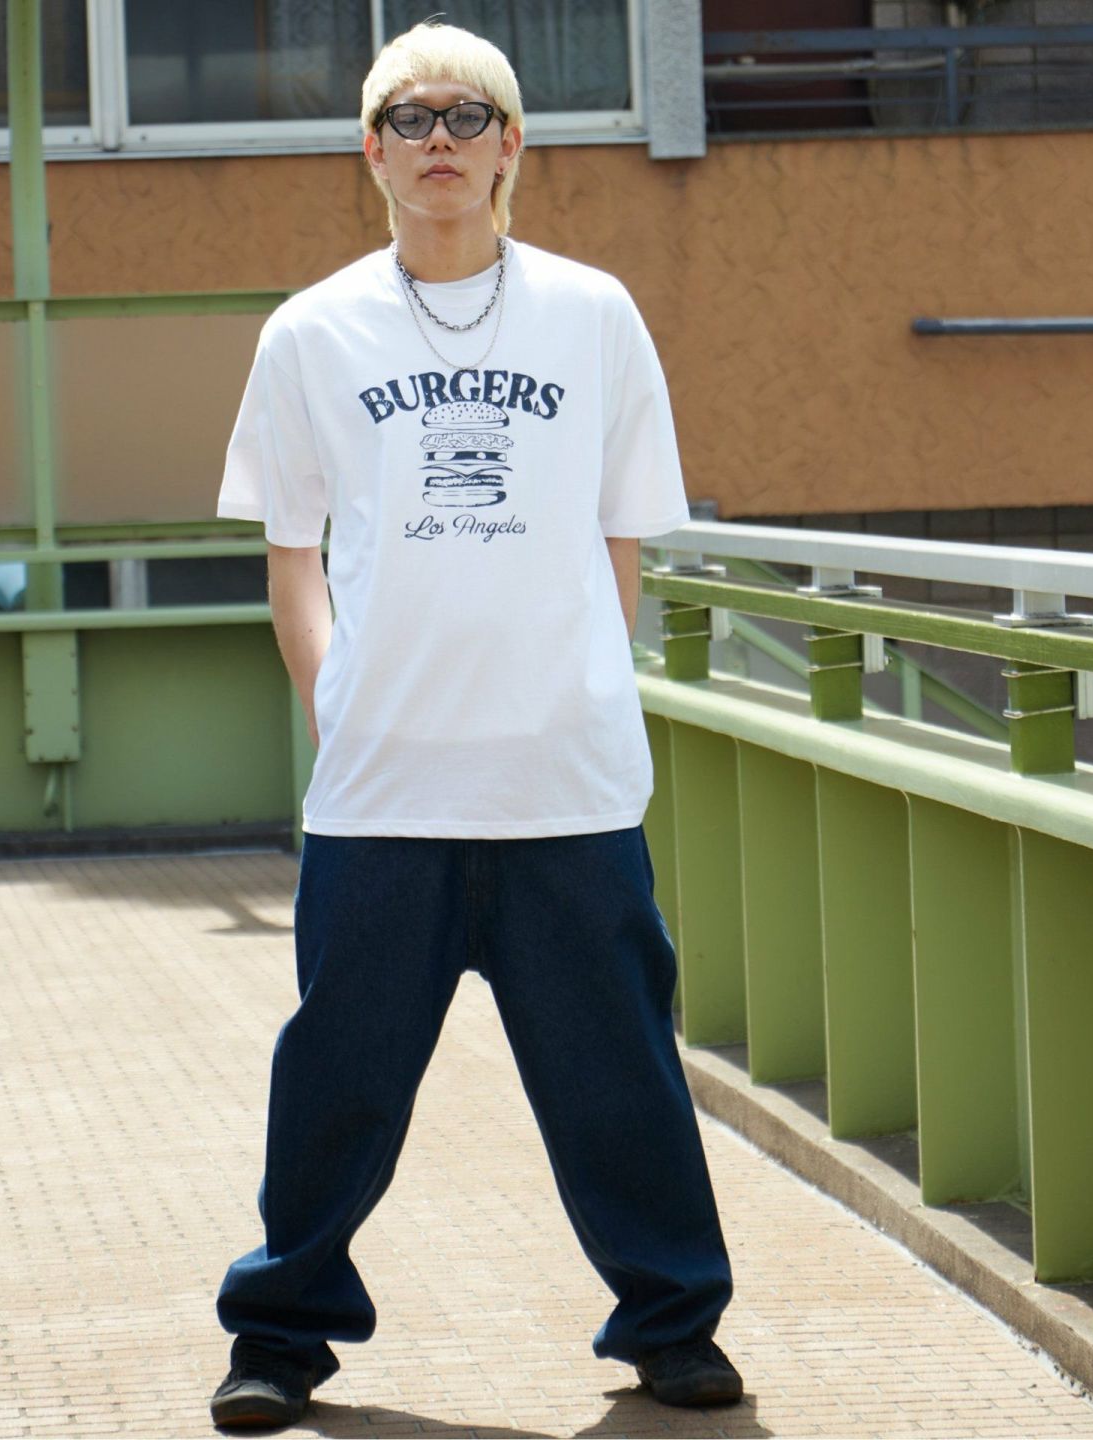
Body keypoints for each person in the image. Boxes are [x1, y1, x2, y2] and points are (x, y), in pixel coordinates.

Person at [208, 20, 742, 1431]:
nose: (436, 139)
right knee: (336, 1081)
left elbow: (622, 536)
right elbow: (291, 555)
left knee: (619, 1073)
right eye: (409, 117)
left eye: (466, 116)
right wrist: (336, 710)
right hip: (384, 794)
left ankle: (673, 1324)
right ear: (370, 151)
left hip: (565, 786)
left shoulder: (593, 313)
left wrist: (582, 685)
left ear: (513, 146)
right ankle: (279, 1336)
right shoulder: (311, 331)